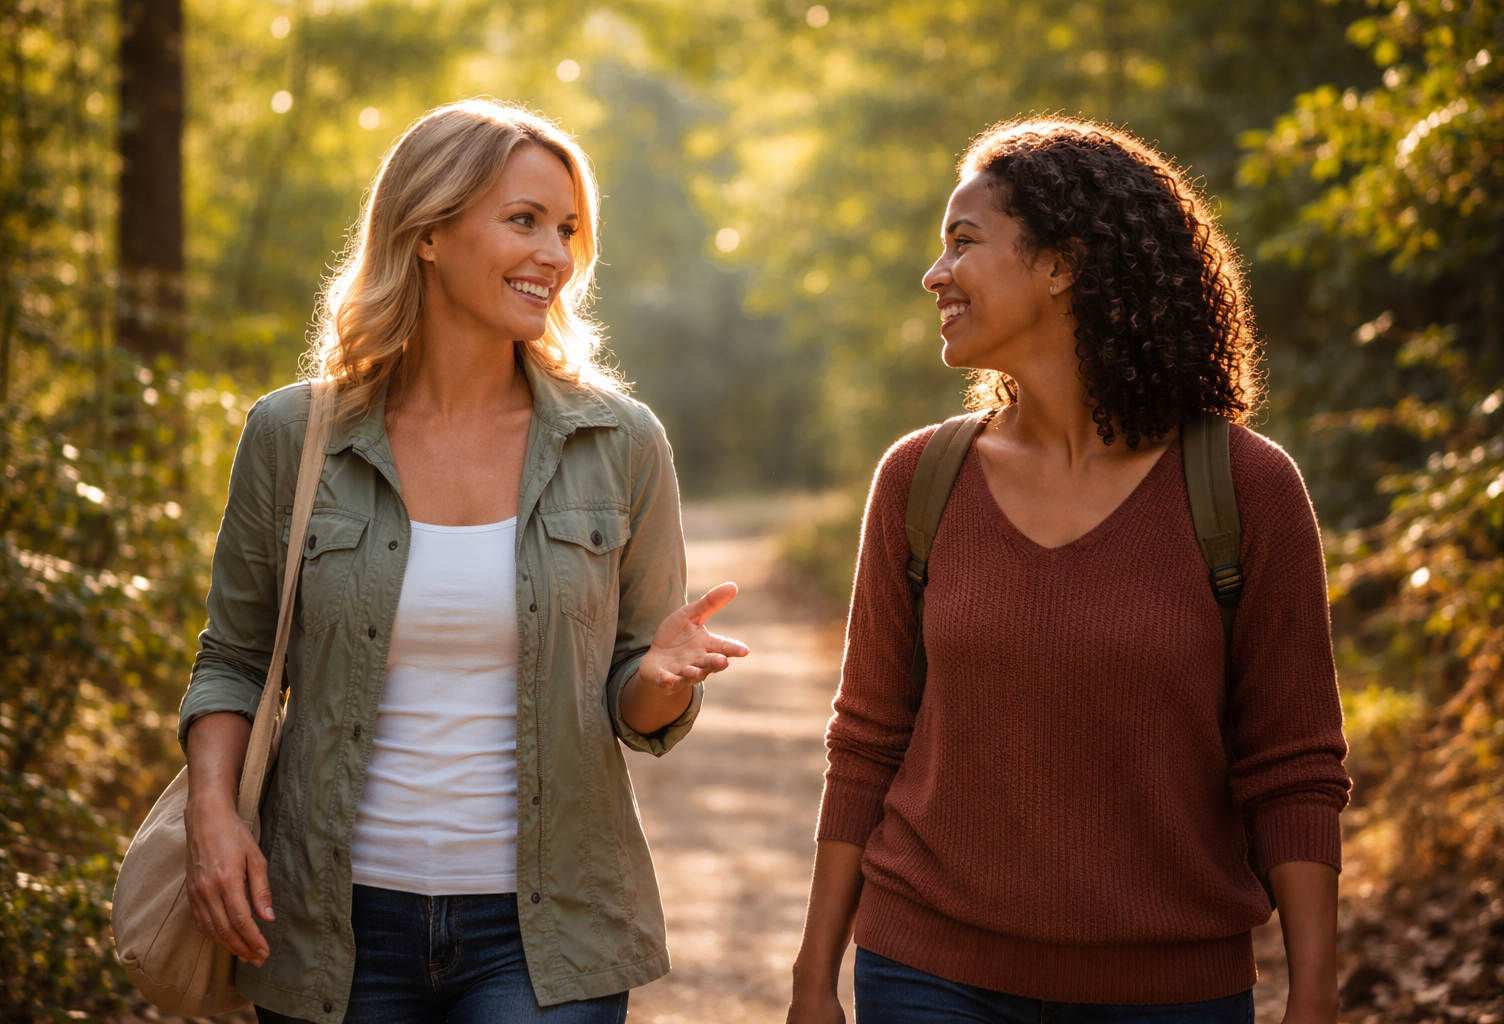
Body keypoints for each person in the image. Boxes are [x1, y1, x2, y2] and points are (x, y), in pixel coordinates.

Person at [178, 99, 748, 1024]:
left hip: (548, 935)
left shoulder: (620, 443)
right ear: (429, 232)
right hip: (328, 927)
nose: (555, 256)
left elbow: (636, 707)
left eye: (565, 230)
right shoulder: (295, 435)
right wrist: (215, 815)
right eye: (522, 221)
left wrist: (661, 677)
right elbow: (235, 660)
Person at [787, 119, 1351, 1024]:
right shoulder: (920, 480)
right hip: (928, 972)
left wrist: (1315, 995)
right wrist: (814, 975)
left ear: (1061, 265)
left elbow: (1291, 763)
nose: (935, 275)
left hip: (1171, 992)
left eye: (963, 243)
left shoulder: (1245, 489)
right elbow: (866, 740)